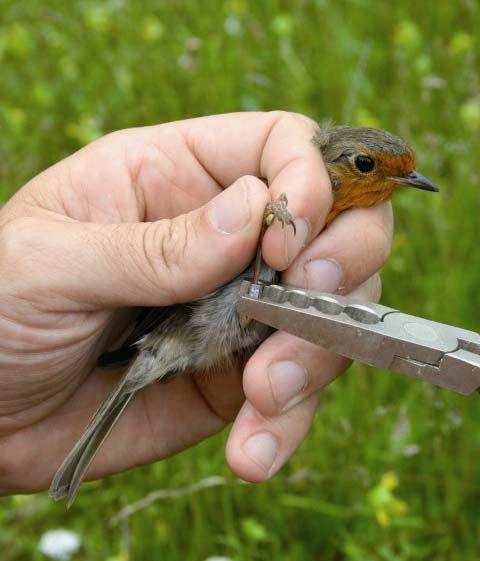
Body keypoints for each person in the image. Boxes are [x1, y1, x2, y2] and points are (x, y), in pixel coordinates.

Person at [0, 112, 391, 495]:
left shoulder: (320, 211)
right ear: (334, 163)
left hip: (210, 334)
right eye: (367, 165)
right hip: (185, 323)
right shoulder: (280, 193)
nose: (392, 180)